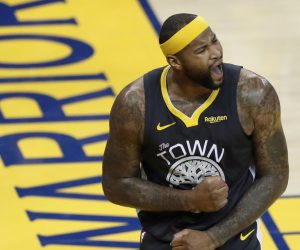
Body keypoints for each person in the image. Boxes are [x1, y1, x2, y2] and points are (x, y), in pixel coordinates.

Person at [102, 13, 289, 250]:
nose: (216, 53)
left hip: (235, 239)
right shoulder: (135, 105)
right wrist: (189, 200)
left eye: (214, 41)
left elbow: (276, 176)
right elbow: (115, 184)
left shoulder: (253, 94)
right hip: (167, 241)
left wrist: (213, 238)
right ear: (175, 62)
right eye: (201, 50)